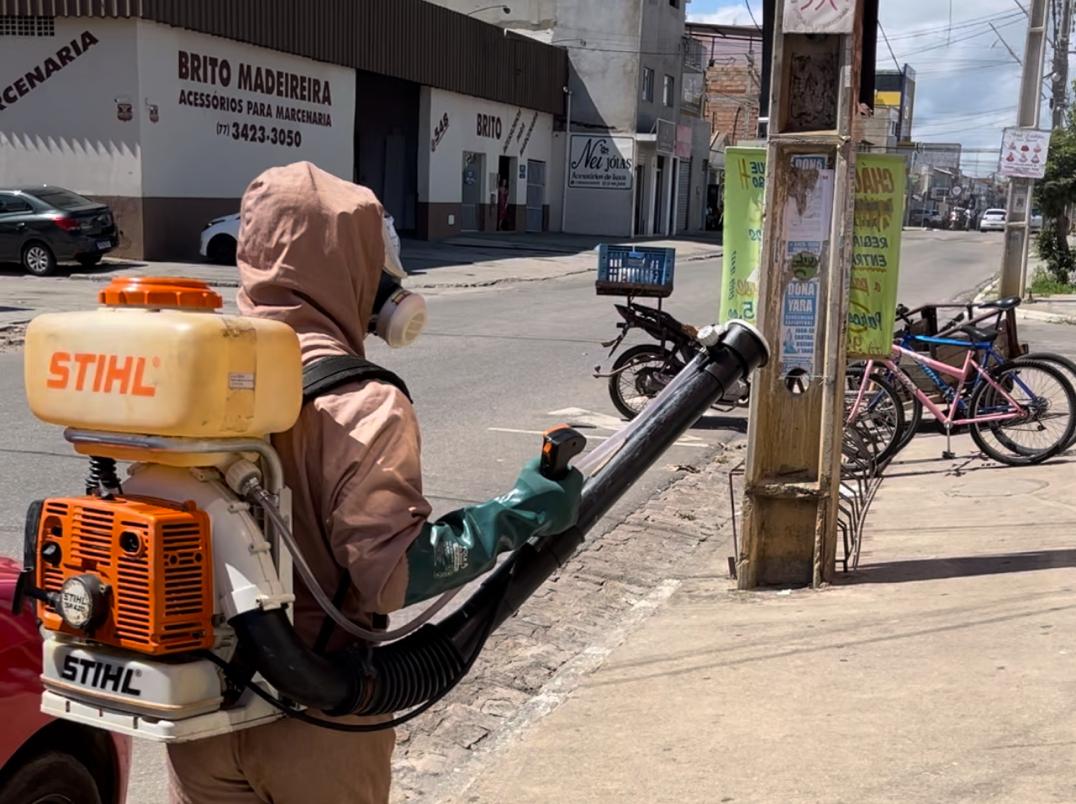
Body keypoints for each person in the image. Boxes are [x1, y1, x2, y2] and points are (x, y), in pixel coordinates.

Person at [167, 162, 582, 803]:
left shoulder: (192, 370)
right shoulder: (361, 401)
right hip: (316, 713)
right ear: (352, 265)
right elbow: (390, 575)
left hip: (199, 710)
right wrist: (517, 513)